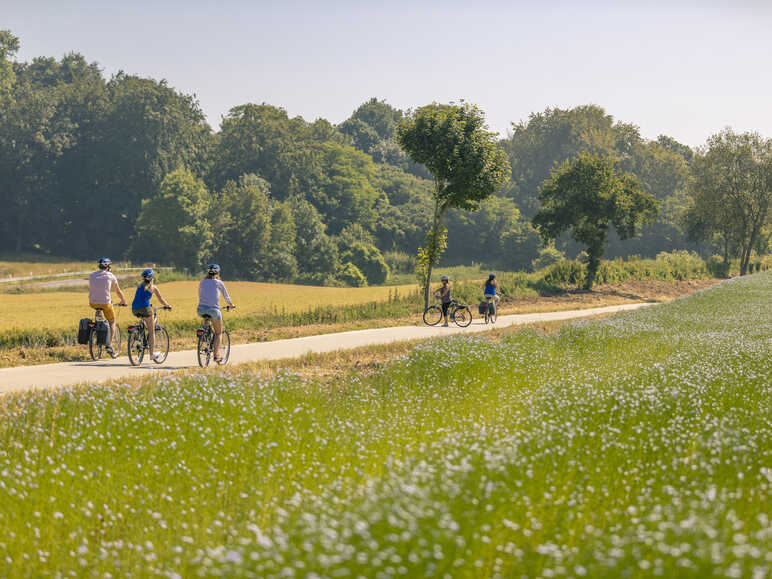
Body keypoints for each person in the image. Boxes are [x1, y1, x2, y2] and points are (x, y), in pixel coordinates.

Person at [131, 269, 172, 362]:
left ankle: (140, 337)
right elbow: (161, 299)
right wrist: (167, 306)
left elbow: (139, 299)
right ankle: (151, 354)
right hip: (145, 308)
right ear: (152, 278)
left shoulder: (139, 286)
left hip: (134, 309)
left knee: (144, 322)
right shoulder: (153, 287)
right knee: (151, 330)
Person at [197, 263, 235, 362]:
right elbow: (226, 297)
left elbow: (201, 295)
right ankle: (216, 355)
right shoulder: (219, 283)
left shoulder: (202, 282)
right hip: (213, 310)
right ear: (217, 273)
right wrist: (231, 305)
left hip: (200, 309)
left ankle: (205, 333)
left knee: (207, 319)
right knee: (219, 332)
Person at [88, 257, 126, 354]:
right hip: (106, 303)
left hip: (92, 303)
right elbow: (117, 291)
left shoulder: (92, 275)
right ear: (108, 267)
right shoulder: (110, 276)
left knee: (99, 311)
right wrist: (123, 300)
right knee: (112, 321)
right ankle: (108, 345)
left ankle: (97, 325)